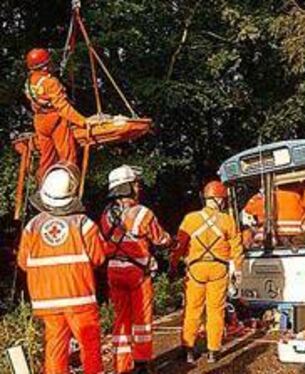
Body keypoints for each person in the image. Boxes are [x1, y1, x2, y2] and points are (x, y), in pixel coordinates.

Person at [17, 162, 106, 374]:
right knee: (89, 345)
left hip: (47, 301)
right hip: (79, 298)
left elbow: (23, 262)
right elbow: (99, 258)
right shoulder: (83, 223)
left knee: (55, 347)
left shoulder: (33, 226)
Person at [100, 165, 172, 373]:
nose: (138, 188)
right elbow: (160, 239)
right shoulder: (142, 213)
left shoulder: (106, 215)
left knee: (121, 319)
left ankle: (121, 366)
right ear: (127, 188)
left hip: (113, 271)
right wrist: (170, 240)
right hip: (137, 273)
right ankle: (141, 364)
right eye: (135, 184)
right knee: (141, 319)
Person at [171, 181, 243, 364]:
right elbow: (236, 247)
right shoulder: (227, 220)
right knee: (215, 310)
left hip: (195, 270)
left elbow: (179, 246)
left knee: (192, 310)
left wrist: (173, 265)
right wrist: (238, 269)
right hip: (218, 270)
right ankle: (213, 351)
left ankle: (188, 349)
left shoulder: (191, 219)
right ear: (219, 200)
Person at [24, 48, 90, 180]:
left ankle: (43, 188)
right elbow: (63, 107)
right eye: (49, 63)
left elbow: (33, 102)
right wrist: (83, 122)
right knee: (67, 158)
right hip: (55, 121)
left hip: (39, 122)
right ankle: (67, 187)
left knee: (46, 159)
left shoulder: (30, 81)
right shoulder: (50, 82)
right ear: (44, 67)